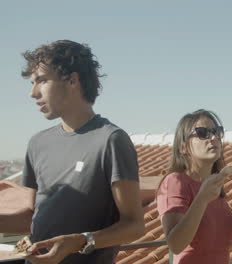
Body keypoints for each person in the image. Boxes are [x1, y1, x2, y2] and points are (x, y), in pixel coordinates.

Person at [0, 40, 145, 264]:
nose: (32, 93)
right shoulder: (37, 143)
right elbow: (32, 217)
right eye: (32, 83)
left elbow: (134, 226)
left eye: (41, 80)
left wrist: (80, 241)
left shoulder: (111, 140)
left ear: (72, 80)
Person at [156, 109, 232, 264]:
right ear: (183, 147)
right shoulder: (175, 182)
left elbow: (217, 246)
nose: (213, 137)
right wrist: (202, 199)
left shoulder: (213, 186)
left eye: (216, 131)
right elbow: (176, 244)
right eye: (202, 132)